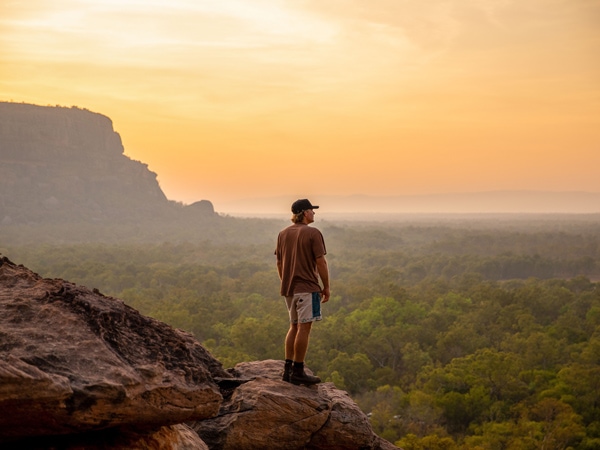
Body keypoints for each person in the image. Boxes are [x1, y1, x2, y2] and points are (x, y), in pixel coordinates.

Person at [275, 198, 330, 385]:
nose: (314, 213)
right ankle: (298, 370)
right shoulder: (313, 233)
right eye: (312, 210)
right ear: (305, 213)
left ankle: (287, 370)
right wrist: (326, 286)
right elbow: (321, 262)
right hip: (307, 288)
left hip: (289, 289)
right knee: (304, 328)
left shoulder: (283, 234)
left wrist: (286, 282)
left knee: (294, 326)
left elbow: (279, 263)